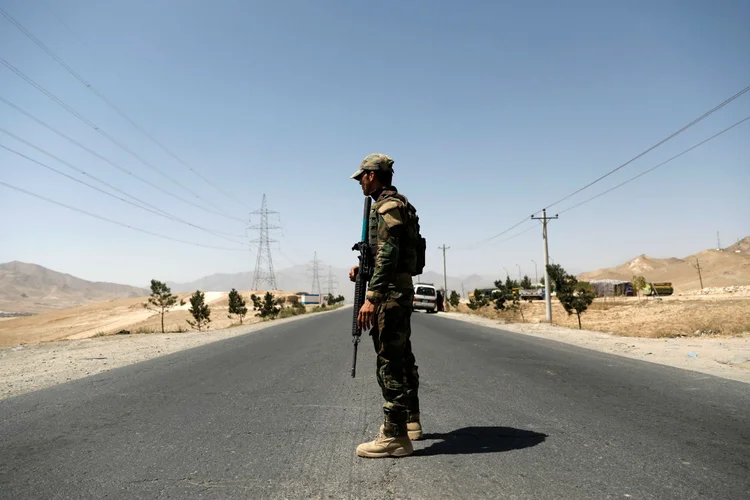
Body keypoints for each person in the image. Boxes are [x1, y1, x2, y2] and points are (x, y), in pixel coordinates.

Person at [349, 153, 422, 458]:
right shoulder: (397, 203)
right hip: (396, 288)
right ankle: (411, 420)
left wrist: (371, 296)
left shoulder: (388, 205)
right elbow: (385, 252)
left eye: (361, 177)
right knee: (402, 355)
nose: (359, 183)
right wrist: (362, 269)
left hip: (389, 294)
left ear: (372, 175)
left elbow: (390, 251)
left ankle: (395, 435)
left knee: (389, 361)